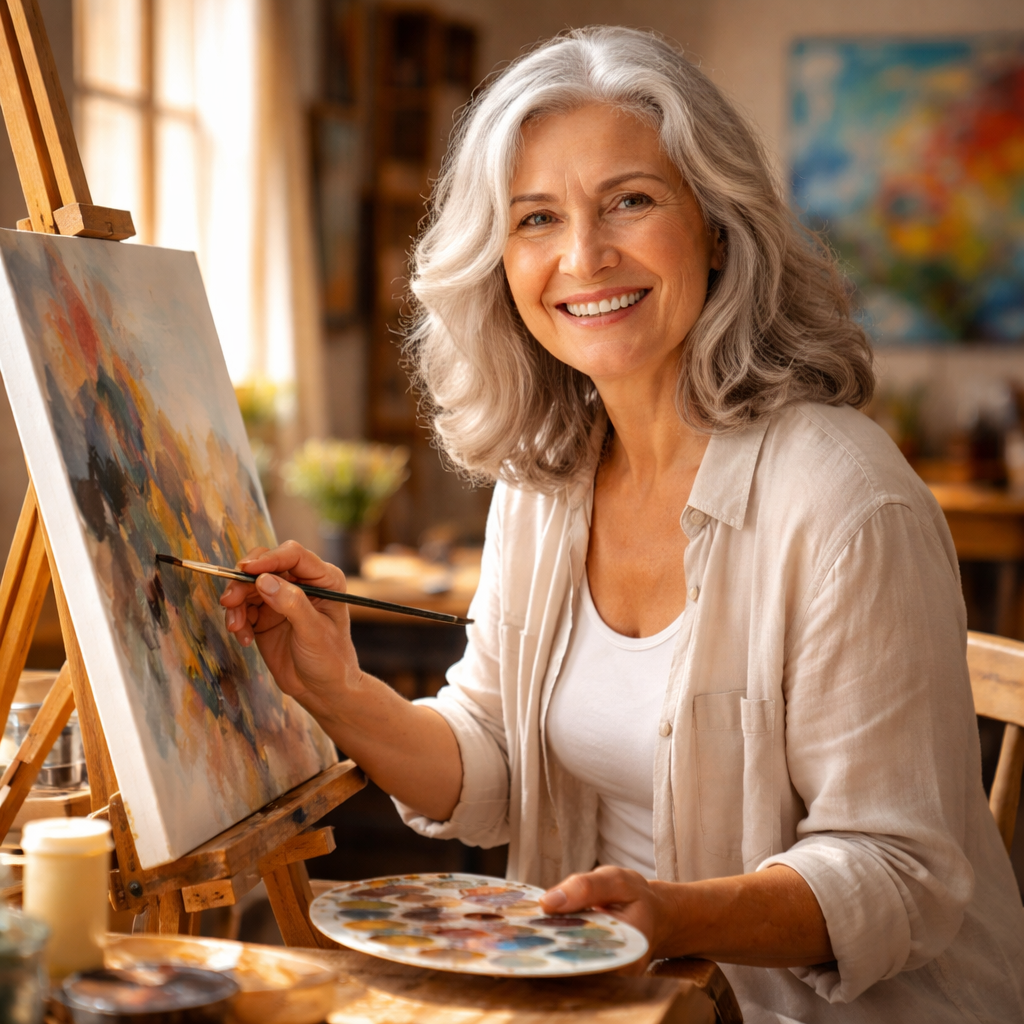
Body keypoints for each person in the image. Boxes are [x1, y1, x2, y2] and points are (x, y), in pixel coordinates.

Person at [221, 27, 1024, 1023]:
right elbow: (489, 754)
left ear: (718, 227)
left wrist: (674, 914)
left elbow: (897, 869)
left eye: (630, 202)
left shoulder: (846, 497)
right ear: (500, 263)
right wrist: (334, 689)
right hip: (628, 999)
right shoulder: (546, 479)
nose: (582, 257)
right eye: (536, 218)